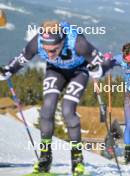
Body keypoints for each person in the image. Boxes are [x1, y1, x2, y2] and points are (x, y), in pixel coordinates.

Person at [0, 20, 107, 175]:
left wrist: (96, 67)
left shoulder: (78, 42)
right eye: (46, 50)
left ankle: (77, 160)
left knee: (68, 110)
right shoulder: (37, 42)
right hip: (55, 71)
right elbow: (22, 58)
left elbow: (101, 60)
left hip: (78, 72)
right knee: (47, 108)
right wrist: (8, 70)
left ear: (63, 41)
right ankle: (44, 159)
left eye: (54, 50)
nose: (50, 53)